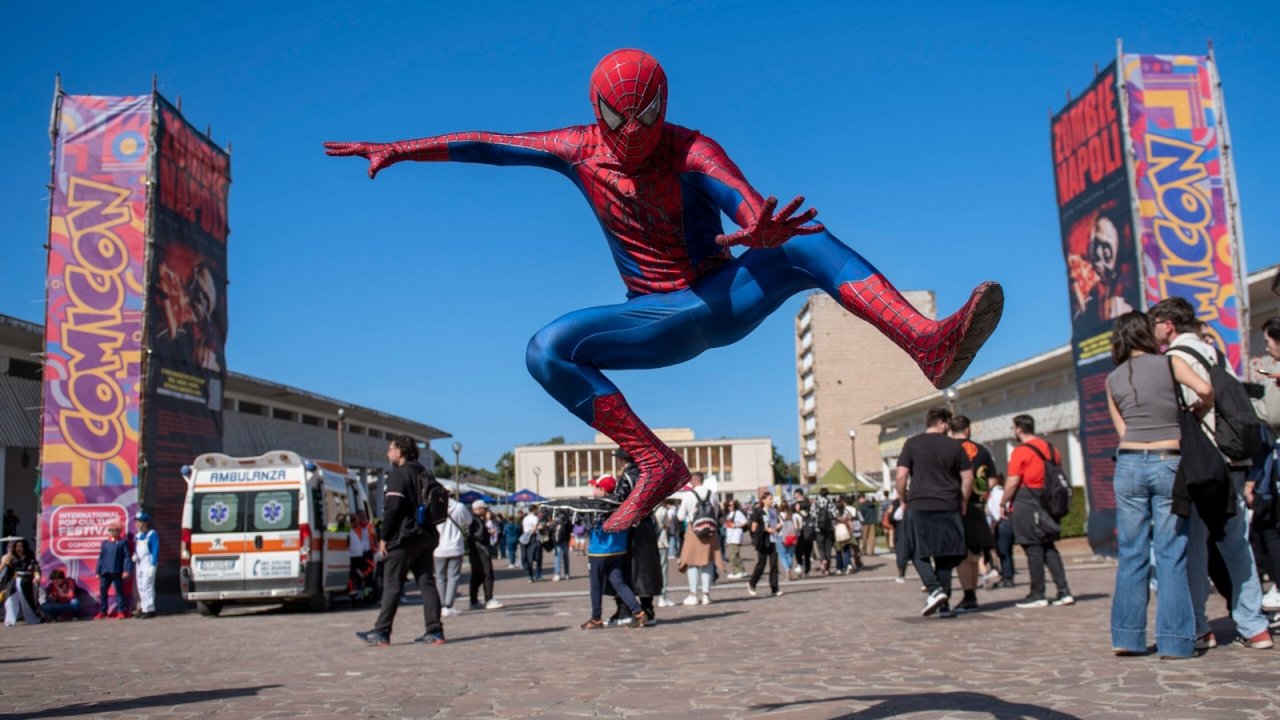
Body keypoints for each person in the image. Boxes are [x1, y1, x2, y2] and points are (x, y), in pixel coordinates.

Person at [326, 48, 1005, 533]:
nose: (630, 137)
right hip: (655, 318)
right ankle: (654, 461)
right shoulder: (577, 148)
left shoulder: (691, 150)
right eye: (616, 121)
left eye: (643, 120)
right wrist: (401, 148)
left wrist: (758, 228)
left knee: (804, 239)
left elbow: (745, 202)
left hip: (724, 295)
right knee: (544, 349)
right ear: (597, 112)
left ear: (663, 109)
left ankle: (926, 343)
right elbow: (490, 144)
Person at [1151, 297, 1274, 650]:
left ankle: (1200, 625)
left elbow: (1199, 396)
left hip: (1202, 461)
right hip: (1233, 459)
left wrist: (1197, 409)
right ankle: (1254, 626)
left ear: (1168, 325)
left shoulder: (1175, 358)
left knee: (1195, 548)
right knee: (1237, 545)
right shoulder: (1214, 353)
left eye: (1155, 323)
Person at [1105, 310, 1208, 657]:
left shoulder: (1113, 378)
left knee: (1131, 552)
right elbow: (1205, 389)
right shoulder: (1169, 363)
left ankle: (1127, 637)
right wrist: (1197, 411)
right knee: (1171, 552)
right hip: (1168, 460)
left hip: (1129, 463)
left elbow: (1122, 430)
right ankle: (1175, 642)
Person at [357, 435, 445, 647]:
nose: (387, 453)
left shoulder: (399, 473)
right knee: (427, 583)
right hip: (426, 535)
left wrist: (384, 537)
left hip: (404, 537)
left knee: (392, 584)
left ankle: (382, 631)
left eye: (390, 449)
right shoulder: (424, 473)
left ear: (400, 451)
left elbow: (393, 507)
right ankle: (435, 630)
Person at [896, 407, 973, 618]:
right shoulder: (955, 446)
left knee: (916, 551)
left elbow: (901, 476)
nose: (949, 427)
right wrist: (963, 501)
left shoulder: (912, 444)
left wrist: (903, 498)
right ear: (940, 423)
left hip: (920, 504)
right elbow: (968, 477)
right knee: (945, 555)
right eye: (947, 423)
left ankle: (934, 589)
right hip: (948, 505)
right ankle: (944, 606)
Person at [1005, 414, 1075, 609]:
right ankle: (1064, 591)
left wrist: (1003, 502)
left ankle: (1038, 593)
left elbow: (1013, 481)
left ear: (1019, 429)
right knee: (1049, 546)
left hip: (1028, 500)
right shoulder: (1052, 448)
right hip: (1049, 500)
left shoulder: (1021, 451)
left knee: (1032, 548)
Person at [581, 475, 645, 630]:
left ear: (603, 490)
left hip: (599, 551)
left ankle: (596, 618)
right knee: (618, 582)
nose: (594, 491)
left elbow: (586, 527)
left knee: (596, 585)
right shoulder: (621, 504)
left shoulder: (597, 506)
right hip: (618, 550)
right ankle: (638, 612)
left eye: (596, 488)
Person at [948, 415, 997, 613]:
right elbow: (992, 479)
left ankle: (968, 594)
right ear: (968, 429)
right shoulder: (982, 450)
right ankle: (973, 594)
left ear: (951, 431)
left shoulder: (949, 449)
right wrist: (982, 492)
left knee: (961, 554)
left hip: (955, 505)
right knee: (974, 555)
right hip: (976, 505)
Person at [677, 472, 722, 605]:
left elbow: (680, 516)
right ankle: (706, 595)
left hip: (693, 532)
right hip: (710, 532)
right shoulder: (713, 494)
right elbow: (716, 513)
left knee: (692, 563)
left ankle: (693, 595)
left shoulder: (688, 495)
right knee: (708, 562)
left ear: (694, 480)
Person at [434, 492, 473, 617]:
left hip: (439, 547)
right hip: (455, 546)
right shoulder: (460, 507)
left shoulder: (435, 507)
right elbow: (469, 521)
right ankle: (448, 605)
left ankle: (441, 605)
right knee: (453, 576)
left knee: (440, 577)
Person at [467, 501, 503, 610]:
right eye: (484, 508)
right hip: (480, 549)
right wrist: (488, 532)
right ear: (478, 508)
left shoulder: (471, 519)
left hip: (474, 550)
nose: (486, 510)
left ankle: (474, 601)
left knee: (476, 576)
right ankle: (489, 599)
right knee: (487, 574)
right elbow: (480, 535)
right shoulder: (477, 520)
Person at [95, 521, 131, 619]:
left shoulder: (122, 542)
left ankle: (120, 611)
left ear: (119, 531)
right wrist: (98, 571)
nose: (112, 532)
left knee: (119, 592)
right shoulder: (105, 543)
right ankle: (103, 611)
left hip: (117, 571)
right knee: (103, 591)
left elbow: (127, 557)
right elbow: (101, 557)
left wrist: (126, 570)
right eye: (110, 530)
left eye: (114, 530)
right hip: (105, 571)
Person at [748, 492, 782, 598]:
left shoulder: (773, 511)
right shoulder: (758, 512)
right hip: (763, 541)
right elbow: (753, 528)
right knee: (761, 565)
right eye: (770, 499)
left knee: (774, 565)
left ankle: (774, 588)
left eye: (772, 499)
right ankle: (752, 583)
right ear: (763, 500)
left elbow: (776, 524)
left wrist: (778, 527)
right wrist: (766, 529)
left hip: (773, 540)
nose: (772, 501)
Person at [2, 538, 41, 625]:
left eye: (21, 546)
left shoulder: (30, 558)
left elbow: (35, 567)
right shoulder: (12, 558)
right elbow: (7, 572)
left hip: (25, 581)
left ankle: (32, 619)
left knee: (26, 601)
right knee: (10, 600)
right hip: (14, 581)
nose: (19, 548)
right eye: (17, 546)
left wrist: (37, 576)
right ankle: (9, 621)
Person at [986, 474, 1016, 587]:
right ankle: (1006, 575)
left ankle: (1008, 577)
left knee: (1004, 552)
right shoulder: (996, 491)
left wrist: (992, 528)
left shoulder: (997, 492)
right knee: (1005, 551)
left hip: (1002, 523)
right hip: (1004, 522)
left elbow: (996, 513)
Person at [132, 511, 159, 619]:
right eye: (137, 522)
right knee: (140, 586)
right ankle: (144, 608)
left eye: (140, 522)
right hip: (139, 563)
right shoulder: (137, 536)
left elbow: (155, 549)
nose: (137, 524)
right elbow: (136, 548)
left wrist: (153, 564)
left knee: (147, 585)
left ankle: (150, 609)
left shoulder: (152, 534)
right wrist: (134, 555)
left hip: (148, 562)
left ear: (145, 523)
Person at [348, 510, 376, 605]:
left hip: (369, 552)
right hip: (359, 554)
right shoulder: (356, 528)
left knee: (369, 574)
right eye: (360, 516)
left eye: (364, 515)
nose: (363, 517)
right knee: (358, 575)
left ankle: (368, 596)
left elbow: (374, 538)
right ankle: (359, 596)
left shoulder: (370, 526)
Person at [812, 488, 837, 575]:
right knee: (828, 548)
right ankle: (827, 569)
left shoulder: (816, 503)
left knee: (820, 547)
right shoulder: (830, 502)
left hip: (818, 529)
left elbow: (812, 515)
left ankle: (823, 560)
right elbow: (835, 514)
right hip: (829, 528)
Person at [724, 500, 748, 579]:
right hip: (730, 536)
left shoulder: (738, 513)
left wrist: (736, 526)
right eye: (729, 505)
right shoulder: (728, 514)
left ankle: (737, 571)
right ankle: (742, 570)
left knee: (733, 555)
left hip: (735, 536)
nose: (732, 506)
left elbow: (745, 522)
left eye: (733, 505)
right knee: (735, 555)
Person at [521, 505, 544, 582]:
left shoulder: (525, 518)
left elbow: (524, 529)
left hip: (526, 538)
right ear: (534, 509)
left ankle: (530, 576)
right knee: (538, 557)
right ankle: (538, 575)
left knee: (529, 557)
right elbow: (534, 529)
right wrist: (539, 527)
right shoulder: (535, 518)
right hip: (534, 538)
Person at [551, 508, 573, 581]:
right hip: (565, 540)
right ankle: (567, 574)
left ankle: (557, 574)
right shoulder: (567, 518)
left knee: (557, 557)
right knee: (565, 556)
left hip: (557, 540)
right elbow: (571, 529)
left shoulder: (556, 517)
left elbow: (552, 529)